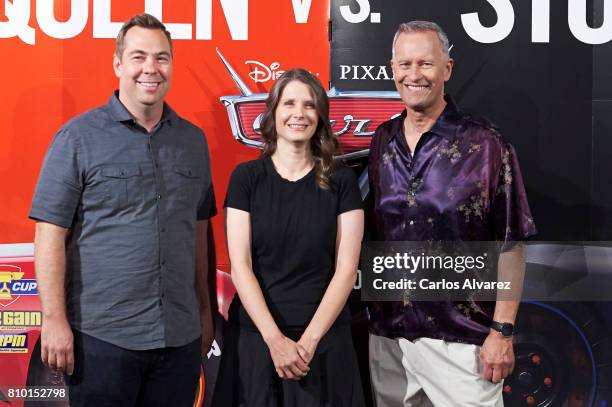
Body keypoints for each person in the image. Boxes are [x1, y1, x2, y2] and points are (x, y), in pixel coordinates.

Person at [29, 13, 216, 407]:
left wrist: (204, 309)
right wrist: (54, 319)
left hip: (179, 340)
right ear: (118, 64)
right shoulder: (77, 138)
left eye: (161, 58)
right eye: (138, 57)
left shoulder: (192, 142)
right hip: (102, 341)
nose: (151, 68)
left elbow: (198, 233)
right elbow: (49, 233)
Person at [367, 21, 536, 406]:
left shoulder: (487, 144)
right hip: (390, 338)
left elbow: (511, 244)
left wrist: (502, 332)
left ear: (447, 69)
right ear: (392, 69)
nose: (414, 75)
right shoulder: (383, 140)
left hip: (463, 342)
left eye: (425, 64)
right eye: (404, 64)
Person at [213, 68, 366, 406]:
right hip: (257, 341)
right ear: (273, 112)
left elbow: (345, 270)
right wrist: (276, 341)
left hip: (323, 343)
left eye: (310, 106)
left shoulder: (341, 181)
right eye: (289, 103)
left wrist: (308, 342)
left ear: (321, 116)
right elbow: (240, 266)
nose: (299, 114)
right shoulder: (246, 179)